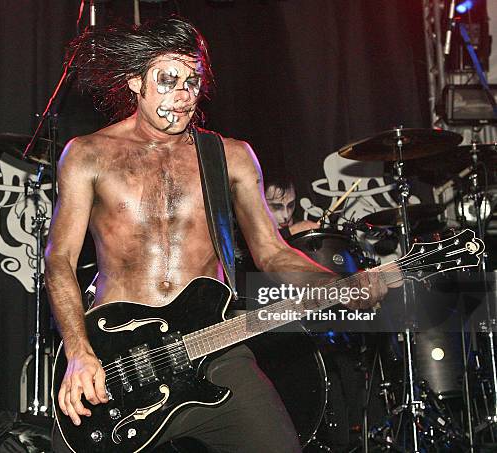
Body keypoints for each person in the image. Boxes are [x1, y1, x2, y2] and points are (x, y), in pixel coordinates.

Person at [45, 16, 393, 453]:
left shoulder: (230, 157)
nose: (182, 96)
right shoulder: (88, 154)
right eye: (168, 80)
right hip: (120, 360)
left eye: (192, 83)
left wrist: (338, 286)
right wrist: (79, 352)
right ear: (135, 82)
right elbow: (59, 259)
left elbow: (271, 252)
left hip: (214, 347)